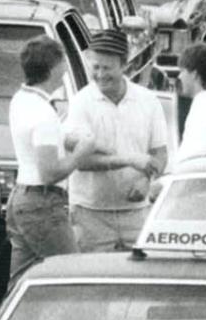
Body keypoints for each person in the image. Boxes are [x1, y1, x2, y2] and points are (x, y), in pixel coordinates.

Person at [64, 29, 170, 252]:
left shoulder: (148, 101)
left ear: (124, 65)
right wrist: (129, 160)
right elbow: (80, 162)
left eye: (107, 68)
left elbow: (160, 153)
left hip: (137, 215)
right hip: (90, 216)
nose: (100, 75)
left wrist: (145, 179)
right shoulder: (81, 103)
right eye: (96, 67)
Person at [7, 36, 95, 280]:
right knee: (71, 276)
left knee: (21, 279)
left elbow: (37, 139)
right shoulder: (43, 113)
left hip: (21, 198)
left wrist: (65, 137)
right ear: (54, 68)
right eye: (63, 62)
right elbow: (49, 172)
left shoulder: (22, 99)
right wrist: (81, 153)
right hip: (42, 203)